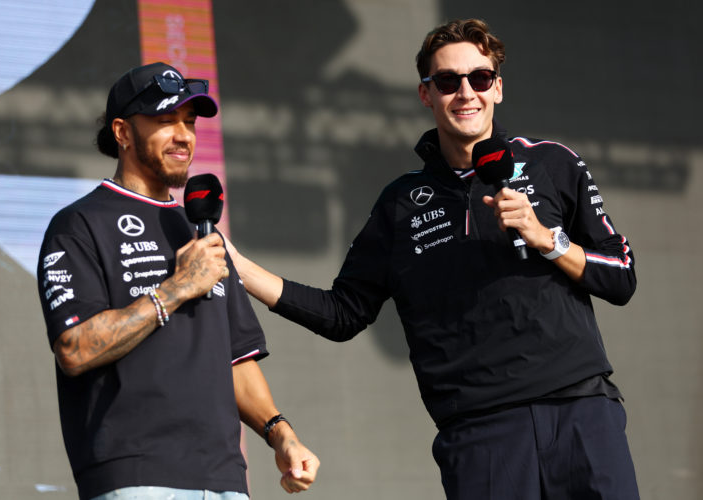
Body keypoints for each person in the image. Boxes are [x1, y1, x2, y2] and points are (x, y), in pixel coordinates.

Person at [227, 19, 639, 499]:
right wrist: (239, 267)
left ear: (498, 88)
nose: (466, 92)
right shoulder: (401, 203)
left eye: (479, 79)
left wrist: (548, 240)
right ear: (426, 95)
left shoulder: (552, 164)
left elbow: (622, 278)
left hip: (582, 414)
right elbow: (343, 313)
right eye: (448, 81)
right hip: (481, 434)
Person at [36, 62, 319, 500]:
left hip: (225, 479)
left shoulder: (204, 232)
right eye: (165, 121)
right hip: (136, 475)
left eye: (189, 122)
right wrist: (176, 289)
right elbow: (74, 349)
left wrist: (280, 432)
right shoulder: (79, 223)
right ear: (123, 132)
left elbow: (236, 359)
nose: (184, 135)